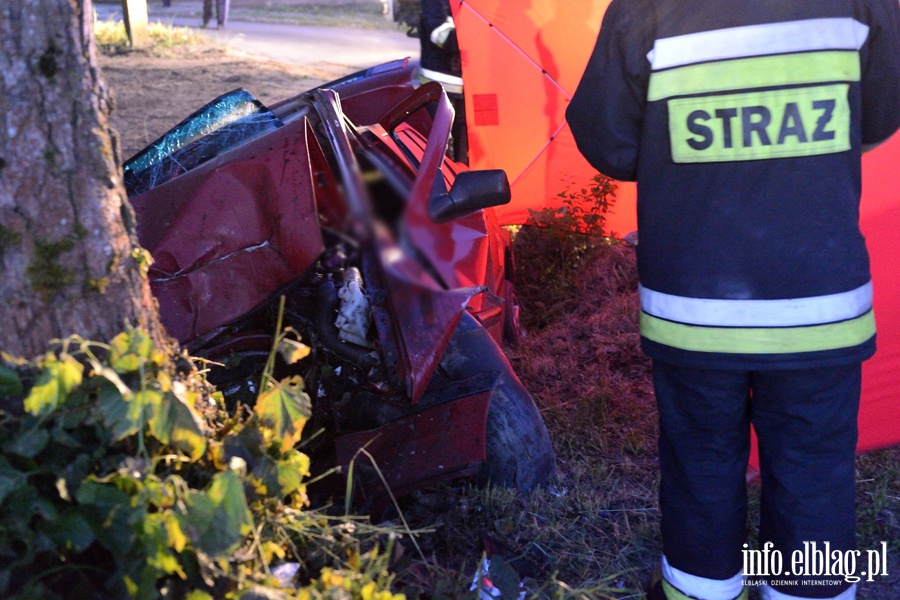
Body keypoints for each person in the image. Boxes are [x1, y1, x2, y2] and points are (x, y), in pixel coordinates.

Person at [566, 1, 900, 599]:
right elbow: (877, 116)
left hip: (693, 306)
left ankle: (699, 590)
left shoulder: (646, 7)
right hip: (817, 304)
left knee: (699, 460)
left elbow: (607, 144)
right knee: (814, 467)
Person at [418, 0, 467, 163]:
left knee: (465, 151)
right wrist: (476, 29)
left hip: (465, 89)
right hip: (441, 89)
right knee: (442, 153)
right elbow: (441, 36)